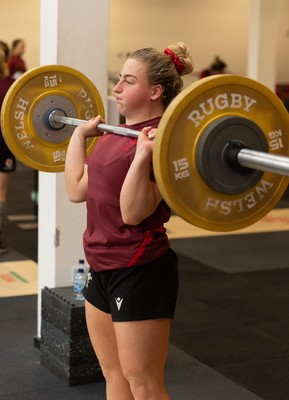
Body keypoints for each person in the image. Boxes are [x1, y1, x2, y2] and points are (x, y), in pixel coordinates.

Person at [65, 42, 194, 399]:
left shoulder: (163, 141)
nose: (117, 88)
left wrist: (142, 158)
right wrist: (78, 136)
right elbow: (77, 189)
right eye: (119, 80)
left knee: (144, 382)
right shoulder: (114, 134)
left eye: (128, 81)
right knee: (114, 374)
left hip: (140, 268)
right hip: (100, 264)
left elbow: (133, 212)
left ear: (155, 91)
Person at [0, 42, 16, 253]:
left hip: (4, 141)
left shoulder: (12, 84)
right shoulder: (12, 85)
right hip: (5, 142)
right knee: (1, 193)